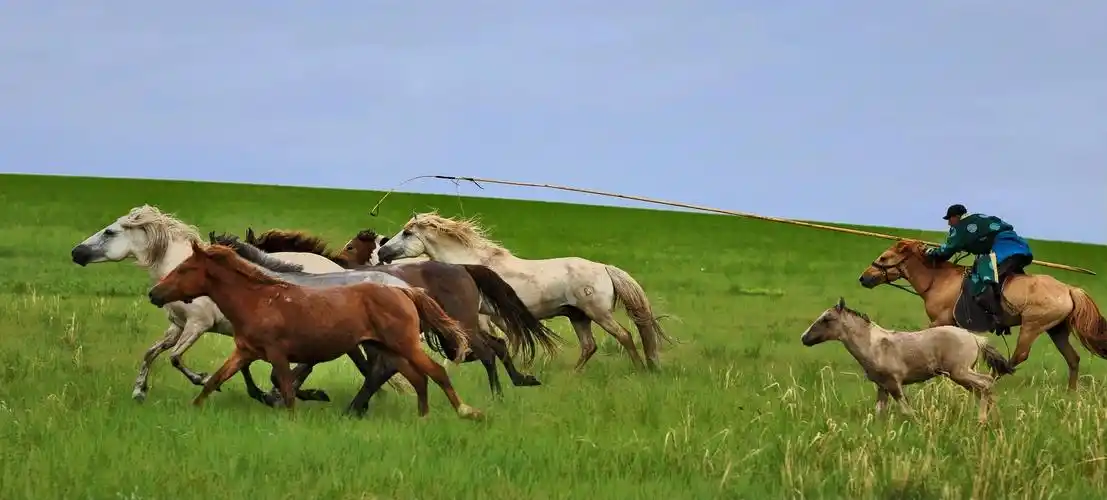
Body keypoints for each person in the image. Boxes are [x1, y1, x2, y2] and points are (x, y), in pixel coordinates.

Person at [924, 203, 1034, 331]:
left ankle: (998, 317)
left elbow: (947, 250)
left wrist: (930, 253)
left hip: (1006, 249)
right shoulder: (976, 218)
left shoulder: (962, 226)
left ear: (957, 217)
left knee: (986, 279)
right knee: (1000, 278)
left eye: (950, 219)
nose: (949, 223)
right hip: (1017, 246)